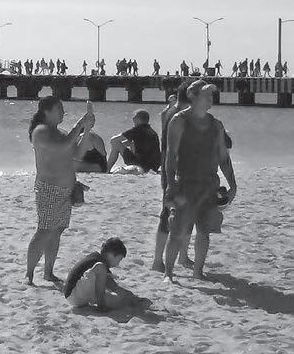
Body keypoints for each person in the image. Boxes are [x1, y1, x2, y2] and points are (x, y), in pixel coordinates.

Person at [163, 80, 237, 281]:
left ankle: (198, 271)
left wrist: (233, 184)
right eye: (205, 94)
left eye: (211, 94)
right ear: (192, 96)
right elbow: (171, 156)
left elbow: (223, 157)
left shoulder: (216, 124)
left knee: (204, 232)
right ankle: (169, 274)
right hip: (185, 184)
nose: (210, 98)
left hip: (209, 185)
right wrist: (171, 185)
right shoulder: (179, 120)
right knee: (177, 231)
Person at [26, 97, 93, 285]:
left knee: (57, 231)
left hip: (66, 189)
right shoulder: (40, 131)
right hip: (49, 189)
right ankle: (29, 274)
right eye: (59, 109)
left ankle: (48, 272)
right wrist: (80, 124)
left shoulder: (61, 133)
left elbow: (77, 154)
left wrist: (87, 129)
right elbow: (61, 147)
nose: (63, 112)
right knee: (44, 231)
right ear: (47, 112)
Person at [152, 83, 192, 271]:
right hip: (174, 171)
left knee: (182, 214)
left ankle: (182, 256)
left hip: (172, 169)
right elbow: (173, 149)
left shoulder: (171, 112)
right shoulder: (177, 116)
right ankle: (158, 260)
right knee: (168, 214)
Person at [64, 238, 146, 310]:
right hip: (74, 293)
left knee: (119, 301)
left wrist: (132, 297)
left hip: (83, 296)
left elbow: (113, 286)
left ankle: (137, 303)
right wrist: (131, 296)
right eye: (119, 260)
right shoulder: (98, 263)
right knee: (101, 268)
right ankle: (101, 305)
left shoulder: (99, 261)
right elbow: (112, 286)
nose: (117, 264)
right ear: (110, 255)